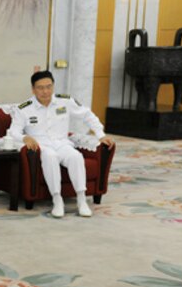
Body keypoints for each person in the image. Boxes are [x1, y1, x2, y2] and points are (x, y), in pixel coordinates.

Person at [8, 70, 115, 218]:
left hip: (62, 143)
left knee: (76, 157)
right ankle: (57, 200)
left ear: (53, 86)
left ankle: (81, 200)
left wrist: (101, 135)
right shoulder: (24, 108)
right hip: (42, 145)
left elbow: (87, 115)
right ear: (33, 89)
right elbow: (13, 131)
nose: (45, 91)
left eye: (49, 86)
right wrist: (25, 137)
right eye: (40, 88)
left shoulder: (65, 101)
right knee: (50, 157)